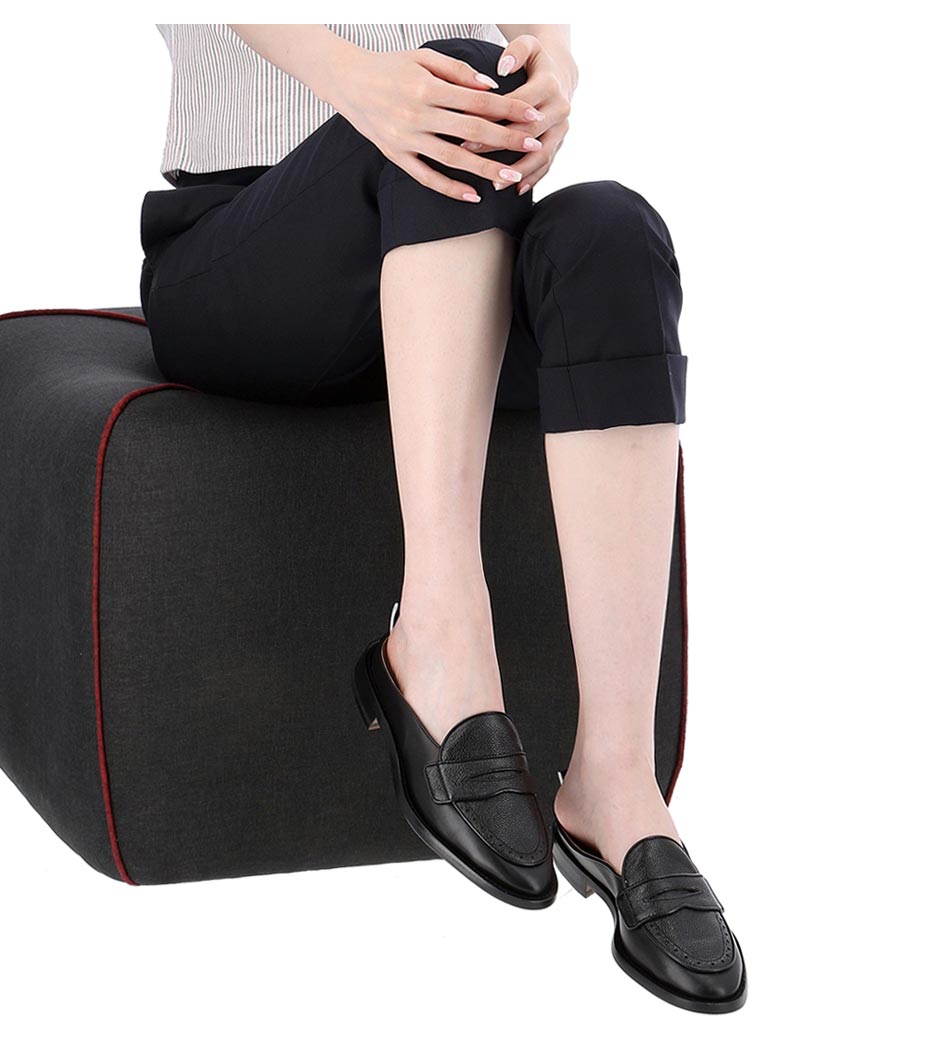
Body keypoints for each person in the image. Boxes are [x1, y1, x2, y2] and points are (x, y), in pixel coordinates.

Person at [138, 23, 746, 1013]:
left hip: (454, 249)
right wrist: (361, 82)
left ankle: (616, 781)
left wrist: (549, 60)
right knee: (451, 86)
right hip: (243, 255)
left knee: (611, 233)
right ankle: (437, 635)